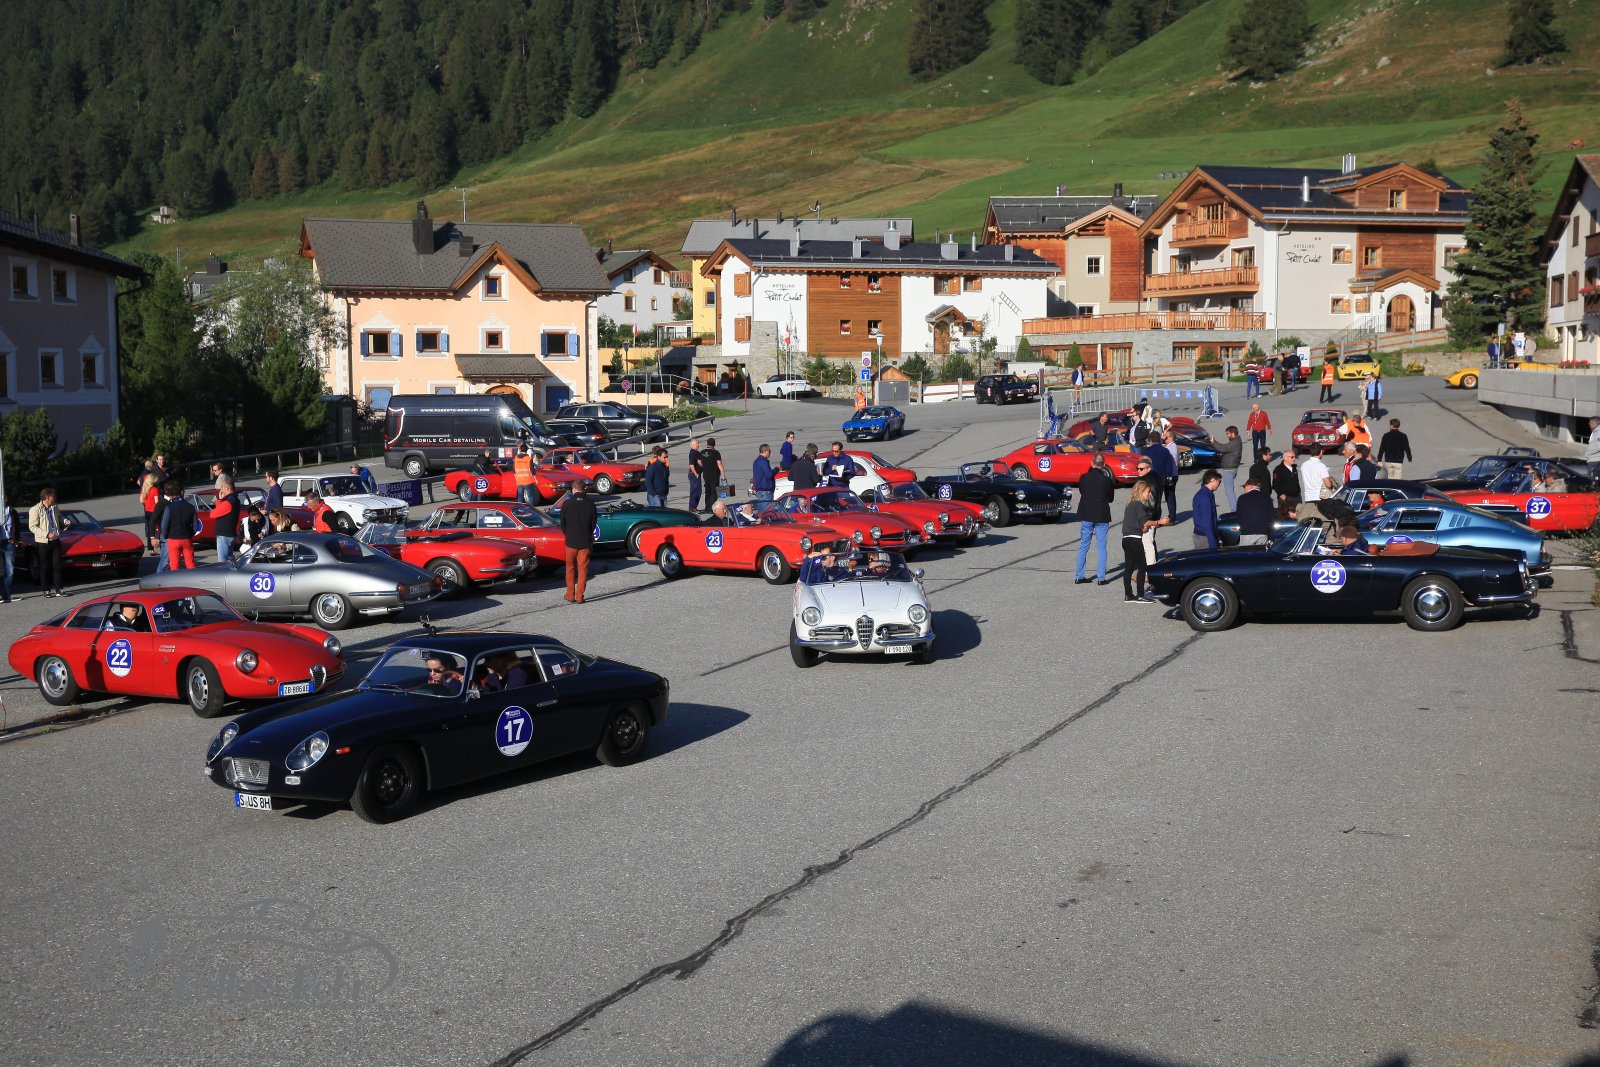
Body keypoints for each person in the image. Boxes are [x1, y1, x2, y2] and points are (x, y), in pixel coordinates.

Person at [1120, 480, 1167, 604]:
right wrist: (1159, 522)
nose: (1149, 494)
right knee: (1142, 567)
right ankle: (1140, 595)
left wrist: (1144, 528)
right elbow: (1145, 522)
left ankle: (1128, 595)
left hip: (1126, 539)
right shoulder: (1138, 504)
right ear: (1141, 492)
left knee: (1129, 568)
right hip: (1135, 540)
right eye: (1147, 492)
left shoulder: (1130, 504)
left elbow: (1138, 524)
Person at [1074, 453, 1115, 586]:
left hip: (1087, 514)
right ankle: (1101, 578)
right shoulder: (1107, 480)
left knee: (1083, 546)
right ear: (1104, 465)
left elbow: (1082, 492)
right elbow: (1111, 498)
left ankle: (1079, 576)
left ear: (1091, 463)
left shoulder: (1084, 478)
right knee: (1101, 547)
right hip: (1102, 515)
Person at [559, 479, 598, 603]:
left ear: (574, 489)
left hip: (571, 541)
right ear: (584, 489)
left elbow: (562, 523)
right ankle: (580, 596)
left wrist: (568, 533)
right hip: (585, 541)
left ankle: (570, 594)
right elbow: (593, 524)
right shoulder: (590, 504)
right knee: (583, 569)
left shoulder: (567, 503)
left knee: (570, 568)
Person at [28, 488, 67, 597]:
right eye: (53, 497)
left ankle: (59, 589)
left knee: (57, 565)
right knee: (44, 566)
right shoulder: (35, 509)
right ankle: (46, 589)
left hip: (55, 540)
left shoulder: (54, 507)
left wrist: (64, 520)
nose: (55, 499)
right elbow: (32, 527)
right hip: (43, 541)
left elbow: (59, 516)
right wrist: (46, 534)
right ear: (47, 498)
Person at [159, 483, 198, 572]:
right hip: (187, 538)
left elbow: (164, 524)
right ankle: (193, 578)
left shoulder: (169, 507)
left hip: (173, 538)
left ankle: (175, 579)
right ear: (181, 492)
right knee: (190, 563)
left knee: (174, 564)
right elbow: (195, 525)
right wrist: (191, 534)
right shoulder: (190, 507)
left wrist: (166, 535)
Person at [1296, 447, 1334, 522]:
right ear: (1321, 452)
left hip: (1308, 498)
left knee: (1311, 522)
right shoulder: (1321, 466)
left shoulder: (1304, 465)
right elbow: (1328, 484)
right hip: (1320, 498)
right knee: (1323, 522)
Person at [1236, 479, 1275, 546]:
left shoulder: (1242, 498)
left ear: (1250, 486)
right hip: (1262, 533)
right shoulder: (1267, 498)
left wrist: (1243, 527)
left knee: (1246, 552)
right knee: (1260, 552)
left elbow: (1238, 516)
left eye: (1244, 486)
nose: (1244, 489)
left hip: (1247, 533)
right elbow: (1271, 516)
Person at [1191, 469, 1222, 551]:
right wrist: (1213, 544)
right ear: (1212, 479)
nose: (1219, 484)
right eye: (1219, 481)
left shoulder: (1205, 494)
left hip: (1204, 535)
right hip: (1204, 538)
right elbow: (1207, 522)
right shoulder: (1205, 497)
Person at [1215, 425, 1243, 510]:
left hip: (1229, 469)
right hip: (1230, 469)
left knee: (1229, 491)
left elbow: (1223, 448)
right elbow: (1225, 448)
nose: (1227, 436)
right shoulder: (1236, 441)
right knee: (1230, 490)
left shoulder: (1235, 442)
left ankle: (1234, 510)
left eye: (1228, 434)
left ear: (1233, 433)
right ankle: (1234, 509)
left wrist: (1213, 442)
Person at [212, 484, 240, 562]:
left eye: (222, 487)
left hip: (224, 535)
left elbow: (213, 514)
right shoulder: (235, 499)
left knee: (223, 562)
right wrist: (221, 500)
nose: (220, 490)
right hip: (230, 534)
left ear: (227, 489)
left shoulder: (229, 501)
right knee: (230, 560)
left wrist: (219, 500)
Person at [698, 437, 727, 509]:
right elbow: (719, 464)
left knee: (707, 490)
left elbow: (699, 462)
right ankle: (713, 507)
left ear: (707, 443)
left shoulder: (702, 452)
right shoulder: (716, 453)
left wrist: (704, 466)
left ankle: (707, 507)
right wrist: (723, 475)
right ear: (714, 444)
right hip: (714, 474)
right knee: (714, 491)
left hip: (706, 474)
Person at [1, 492, 16, 603]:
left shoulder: (11, 511)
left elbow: (17, 525)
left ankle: (7, 595)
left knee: (9, 570)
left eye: (5, 497)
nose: (4, 499)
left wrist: (16, 538)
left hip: (9, 542)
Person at [686, 438, 704, 512]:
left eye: (698, 443)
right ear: (692, 445)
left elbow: (699, 462)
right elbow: (691, 465)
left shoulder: (697, 452)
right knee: (695, 491)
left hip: (697, 474)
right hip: (694, 474)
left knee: (698, 490)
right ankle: (692, 507)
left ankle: (694, 507)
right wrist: (695, 473)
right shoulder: (693, 453)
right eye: (696, 443)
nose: (698, 444)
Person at [1584, 417, 1600, 481]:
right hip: (1593, 459)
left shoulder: (1598, 432)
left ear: (1593, 424)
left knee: (1592, 480)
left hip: (1595, 460)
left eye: (1590, 423)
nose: (1589, 424)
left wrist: (1587, 453)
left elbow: (1598, 446)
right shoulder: (1595, 432)